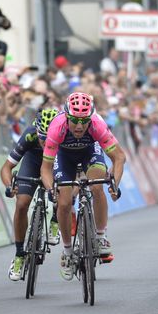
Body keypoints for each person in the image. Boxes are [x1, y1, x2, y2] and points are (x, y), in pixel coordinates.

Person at [40, 91, 126, 281]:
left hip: (90, 151)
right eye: (75, 121)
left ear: (90, 118)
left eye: (84, 121)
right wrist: (50, 189)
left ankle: (100, 235)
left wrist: (114, 183)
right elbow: (45, 168)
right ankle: (68, 251)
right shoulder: (57, 127)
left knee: (97, 186)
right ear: (67, 116)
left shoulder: (97, 124)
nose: (79, 126)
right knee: (63, 202)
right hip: (64, 157)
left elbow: (119, 157)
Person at [0, 108, 59, 281]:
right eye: (42, 138)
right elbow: (6, 168)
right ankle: (19, 254)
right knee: (21, 203)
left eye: (49, 139)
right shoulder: (30, 135)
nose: (45, 142)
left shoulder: (64, 136)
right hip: (33, 161)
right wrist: (9, 185)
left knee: (60, 190)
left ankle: (56, 218)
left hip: (56, 160)